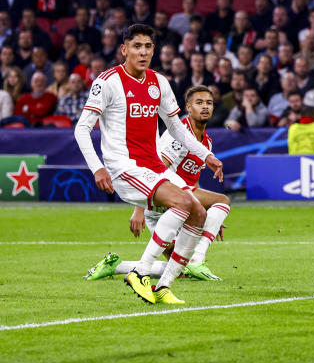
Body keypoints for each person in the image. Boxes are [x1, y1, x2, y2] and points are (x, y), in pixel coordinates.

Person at [73, 24, 224, 305]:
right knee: (182, 202)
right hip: (124, 166)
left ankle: (163, 286)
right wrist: (97, 167)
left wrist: (206, 155)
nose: (143, 52)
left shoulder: (158, 82)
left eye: (148, 47)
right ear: (124, 50)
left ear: (154, 50)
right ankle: (140, 271)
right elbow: (82, 129)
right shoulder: (107, 82)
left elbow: (177, 128)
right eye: (137, 46)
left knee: (198, 214)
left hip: (154, 166)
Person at [84, 86, 231, 282]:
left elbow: (192, 179)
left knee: (179, 270)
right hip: (162, 202)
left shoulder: (207, 143)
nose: (205, 107)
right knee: (223, 200)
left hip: (180, 203)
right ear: (188, 107)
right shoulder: (177, 135)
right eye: (199, 103)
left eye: (209, 103)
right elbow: (154, 170)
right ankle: (198, 259)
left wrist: (208, 215)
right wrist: (139, 209)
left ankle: (116, 266)